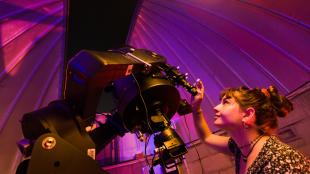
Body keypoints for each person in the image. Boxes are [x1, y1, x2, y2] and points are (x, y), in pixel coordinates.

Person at [191, 80, 310, 174]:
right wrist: (196, 108)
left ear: (248, 114)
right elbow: (206, 137)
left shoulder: (280, 160)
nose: (215, 107)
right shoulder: (240, 148)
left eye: (226, 102)